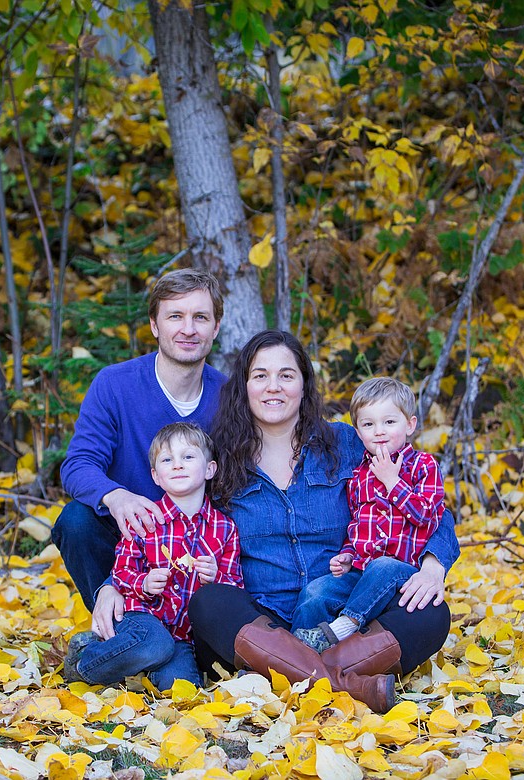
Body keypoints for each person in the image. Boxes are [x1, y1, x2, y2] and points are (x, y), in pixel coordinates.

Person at [188, 330, 460, 714]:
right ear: (244, 386)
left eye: (286, 375)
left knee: (430, 612)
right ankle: (349, 684)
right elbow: (182, 519)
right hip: (263, 617)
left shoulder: (347, 442)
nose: (273, 387)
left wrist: (433, 567)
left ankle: (288, 676)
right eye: (260, 375)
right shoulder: (221, 458)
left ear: (304, 384)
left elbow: (434, 510)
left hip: (347, 613)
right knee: (209, 603)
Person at [54, 269, 226, 624]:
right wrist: (117, 496)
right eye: (175, 316)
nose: (188, 329)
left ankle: (196, 631)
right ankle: (111, 606)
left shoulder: (228, 396)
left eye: (200, 317)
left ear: (216, 327)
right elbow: (78, 464)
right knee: (75, 521)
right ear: (154, 325)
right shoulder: (115, 385)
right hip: (129, 540)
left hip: (199, 543)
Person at [63, 423, 243, 689]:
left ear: (209, 469)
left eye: (188, 457)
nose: (177, 465)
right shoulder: (145, 521)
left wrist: (215, 577)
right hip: (143, 620)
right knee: (155, 643)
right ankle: (84, 664)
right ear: (156, 476)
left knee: (180, 687)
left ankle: (133, 664)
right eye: (167, 460)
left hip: (185, 637)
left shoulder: (224, 529)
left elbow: (236, 588)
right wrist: (144, 584)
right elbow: (120, 573)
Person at [291, 377, 444, 652]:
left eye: (389, 422)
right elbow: (357, 525)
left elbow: (428, 516)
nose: (379, 431)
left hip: (402, 573)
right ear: (359, 433)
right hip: (361, 574)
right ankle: (292, 654)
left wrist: (393, 483)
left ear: (410, 425)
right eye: (368, 424)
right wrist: (349, 555)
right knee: (315, 593)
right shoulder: (359, 475)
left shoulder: (424, 466)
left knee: (383, 566)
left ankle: (344, 626)